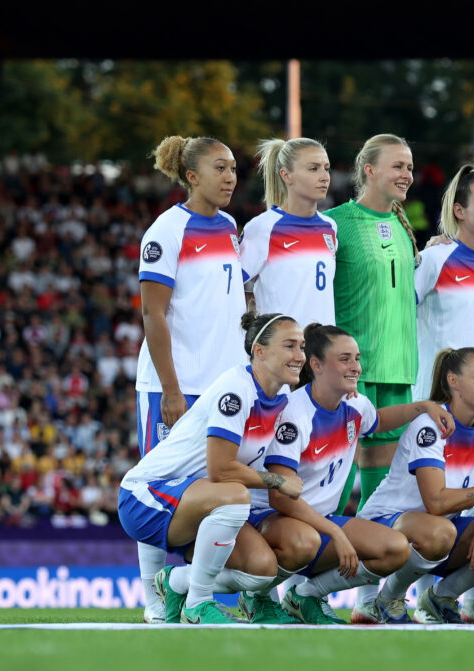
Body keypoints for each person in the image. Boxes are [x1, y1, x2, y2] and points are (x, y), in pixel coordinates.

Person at [247, 323, 452, 624]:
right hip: (276, 522)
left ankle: (306, 596)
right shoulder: (293, 414)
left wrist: (423, 406)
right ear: (315, 364)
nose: (355, 367)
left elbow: (378, 420)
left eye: (356, 358)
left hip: (320, 524)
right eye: (344, 359)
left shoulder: (355, 404)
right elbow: (280, 497)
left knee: (395, 549)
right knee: (305, 542)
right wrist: (335, 533)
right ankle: (254, 593)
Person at [118, 312, 304, 624]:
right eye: (290, 346)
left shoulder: (280, 395)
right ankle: (197, 603)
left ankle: (176, 582)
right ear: (259, 351)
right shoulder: (236, 389)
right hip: (145, 498)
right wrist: (277, 481)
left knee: (262, 571)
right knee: (235, 494)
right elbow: (221, 471)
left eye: (301, 346)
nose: (300, 356)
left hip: (200, 505)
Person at [135, 135, 246, 623]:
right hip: (174, 384)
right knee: (159, 486)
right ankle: (153, 600)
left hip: (223, 386)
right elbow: (153, 315)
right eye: (220, 168)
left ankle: (187, 589)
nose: (230, 178)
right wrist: (172, 389)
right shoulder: (167, 230)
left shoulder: (229, 226)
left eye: (234, 169)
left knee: (212, 490)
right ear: (192, 176)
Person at [356, 347, 474, 624]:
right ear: (453, 381)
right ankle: (389, 598)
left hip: (437, 531)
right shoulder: (431, 426)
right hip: (384, 523)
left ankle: (440, 597)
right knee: (440, 532)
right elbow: (436, 503)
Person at [413, 164, 474, 623]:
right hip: (441, 406)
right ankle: (388, 596)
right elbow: (404, 317)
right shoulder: (436, 259)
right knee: (428, 506)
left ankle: (467, 602)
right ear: (459, 210)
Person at [327, 134, 421, 513]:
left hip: (398, 369)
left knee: (385, 488)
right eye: (398, 166)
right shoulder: (334, 223)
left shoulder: (404, 226)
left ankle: (368, 563)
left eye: (410, 167)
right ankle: (315, 558)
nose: (407, 174)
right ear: (369, 170)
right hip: (352, 368)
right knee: (336, 473)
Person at [239, 137, 338, 328]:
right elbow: (230, 288)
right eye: (313, 168)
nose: (325, 176)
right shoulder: (263, 228)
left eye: (326, 167)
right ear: (287, 175)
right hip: (280, 352)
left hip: (321, 351)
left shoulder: (330, 227)